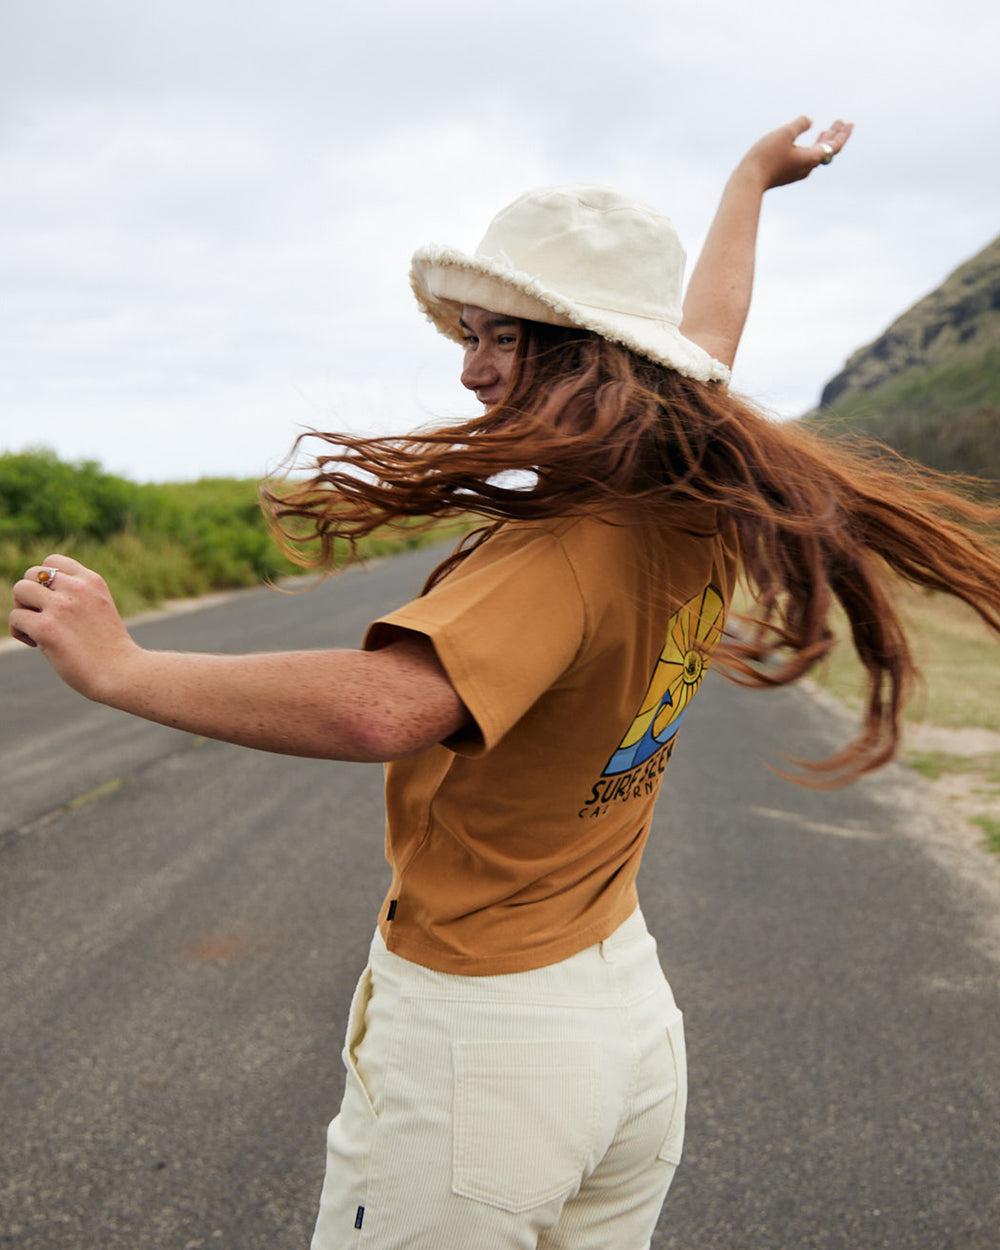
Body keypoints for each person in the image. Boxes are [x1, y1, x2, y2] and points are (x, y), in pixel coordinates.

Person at [11, 117, 1000, 1250]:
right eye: (470, 334)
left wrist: (124, 665)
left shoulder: (568, 543)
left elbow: (384, 703)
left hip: (483, 1040)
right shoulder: (697, 486)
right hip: (620, 1017)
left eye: (507, 338)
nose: (472, 366)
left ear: (598, 358)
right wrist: (751, 182)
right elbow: (709, 333)